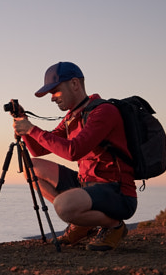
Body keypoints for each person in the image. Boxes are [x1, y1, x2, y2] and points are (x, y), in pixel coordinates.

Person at [11, 61, 137, 251]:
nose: (52, 98)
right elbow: (39, 150)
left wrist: (32, 130)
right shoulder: (71, 118)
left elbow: (73, 151)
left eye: (55, 91)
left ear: (75, 84)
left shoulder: (103, 112)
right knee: (31, 167)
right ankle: (81, 221)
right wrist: (25, 128)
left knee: (63, 207)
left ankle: (114, 226)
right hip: (86, 185)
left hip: (116, 191)